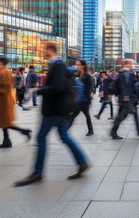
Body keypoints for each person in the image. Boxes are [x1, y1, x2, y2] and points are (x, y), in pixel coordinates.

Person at [15, 43, 87, 187]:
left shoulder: (58, 64)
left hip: (54, 109)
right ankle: (82, 162)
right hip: (57, 109)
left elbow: (57, 87)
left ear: (50, 50)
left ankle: (37, 172)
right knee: (64, 136)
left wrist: (38, 90)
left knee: (41, 137)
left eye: (44, 49)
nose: (42, 51)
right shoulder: (56, 64)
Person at [110, 59, 139, 139]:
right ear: (126, 64)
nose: (132, 65)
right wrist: (126, 96)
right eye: (131, 64)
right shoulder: (124, 73)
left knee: (132, 114)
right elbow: (124, 85)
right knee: (121, 116)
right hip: (125, 99)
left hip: (128, 98)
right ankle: (113, 132)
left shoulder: (127, 73)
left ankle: (138, 130)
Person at [68, 60, 94, 136]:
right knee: (85, 115)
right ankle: (91, 130)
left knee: (73, 115)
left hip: (83, 100)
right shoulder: (77, 75)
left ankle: (65, 130)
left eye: (78, 65)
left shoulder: (87, 76)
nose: (77, 66)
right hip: (80, 99)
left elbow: (89, 89)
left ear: (83, 66)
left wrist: (82, 98)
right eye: (76, 64)